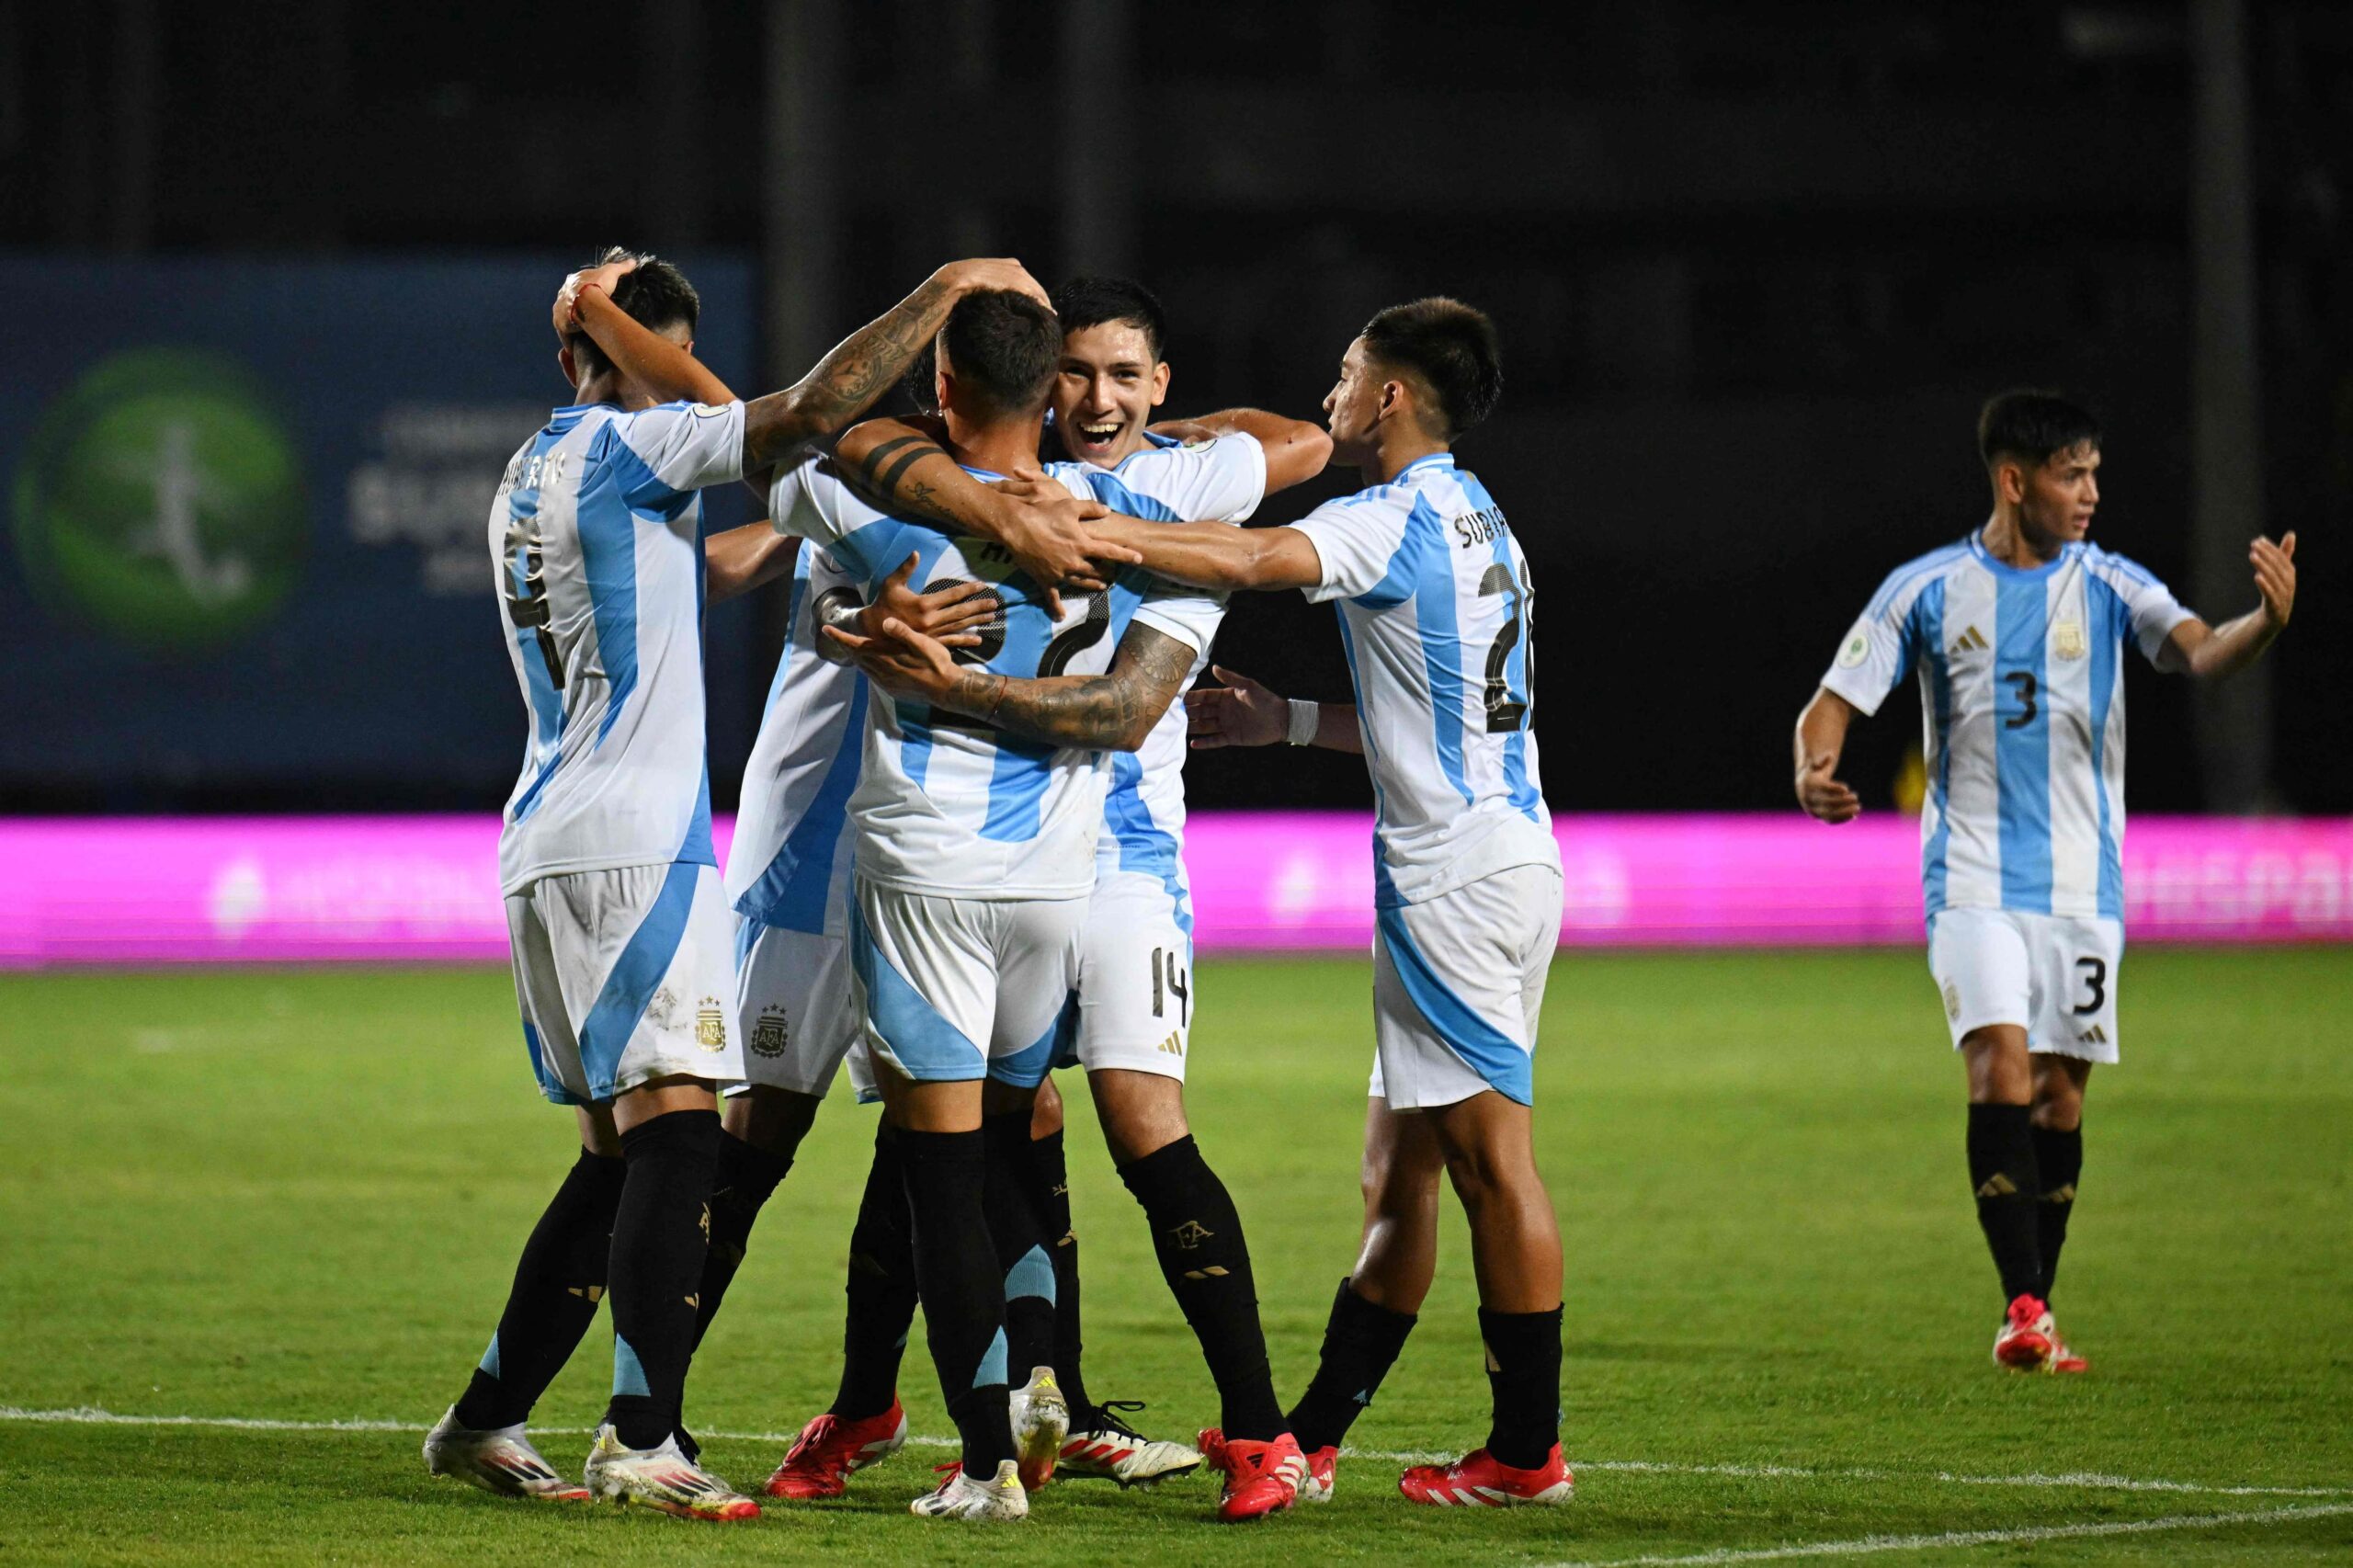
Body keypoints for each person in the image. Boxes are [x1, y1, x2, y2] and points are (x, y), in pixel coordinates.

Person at [899, 297, 1577, 1509]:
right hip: (1493, 849)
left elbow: (1260, 556)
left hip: (1456, 876)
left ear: (1391, 398)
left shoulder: (1392, 514)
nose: (1333, 393)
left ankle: (1526, 1452)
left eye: (1347, 374)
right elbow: (1438, 715)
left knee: (1490, 1166)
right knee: (1401, 1175)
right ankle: (1302, 1433)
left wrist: (1111, 526)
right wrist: (1292, 722)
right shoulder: (1481, 518)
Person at [419, 248, 1063, 1522]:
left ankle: (486, 1415)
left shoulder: (530, 467)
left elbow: (718, 549)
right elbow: (804, 416)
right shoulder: (633, 448)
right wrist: (940, 292)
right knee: (680, 1134)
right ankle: (641, 1435)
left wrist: (833, 569)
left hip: (549, 834)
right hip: (628, 841)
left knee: (615, 1152)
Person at [813, 276, 1332, 1502]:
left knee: (1136, 1129)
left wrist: (910, 659)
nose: (1098, 398)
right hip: (1035, 855)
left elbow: (1305, 441)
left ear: (1160, 387)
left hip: (1122, 858)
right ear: (1042, 385)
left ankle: (1254, 1430)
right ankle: (1037, 1397)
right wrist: (854, 624)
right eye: (1077, 374)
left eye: (1126, 377)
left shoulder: (1181, 493)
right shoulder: (1031, 495)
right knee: (997, 1136)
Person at [1792, 389, 2296, 1372]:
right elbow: (1831, 700)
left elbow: (2199, 652)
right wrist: (1812, 767)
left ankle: (2038, 1307)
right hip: (1971, 876)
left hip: (2081, 888)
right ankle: (2021, 1303)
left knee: (2060, 1097)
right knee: (1998, 1066)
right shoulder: (1927, 588)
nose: (2091, 492)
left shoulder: (2108, 585)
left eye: (2095, 472)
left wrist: (2265, 623)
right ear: (2013, 480)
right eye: (2073, 473)